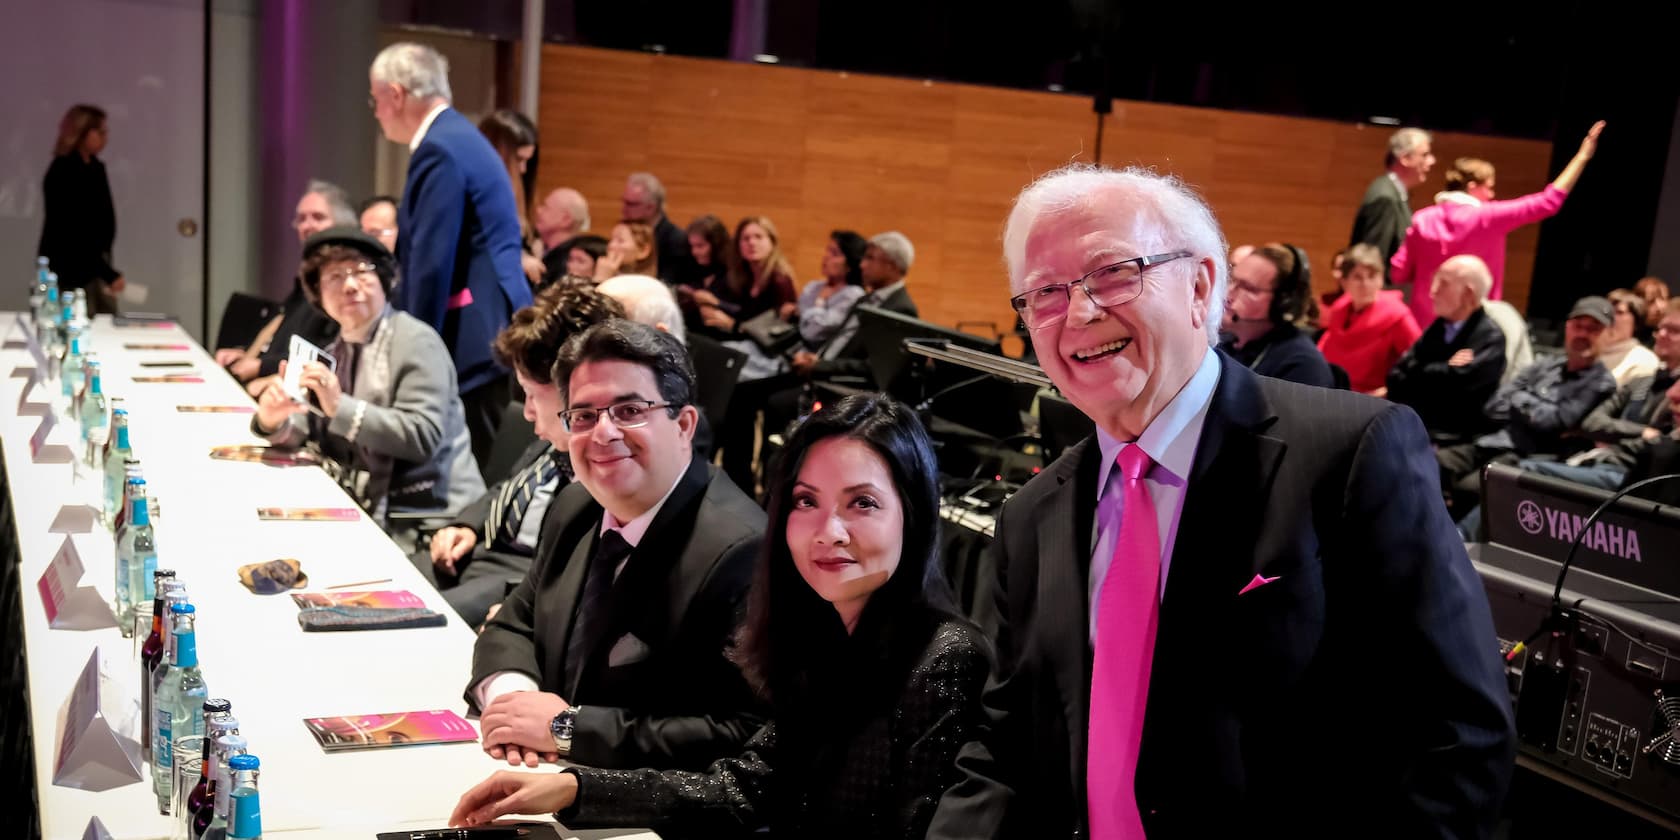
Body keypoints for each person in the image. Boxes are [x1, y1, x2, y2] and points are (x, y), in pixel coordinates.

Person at [928, 164, 1514, 838]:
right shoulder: (1033, 515)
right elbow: (1007, 742)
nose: (1080, 312)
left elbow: (1459, 740)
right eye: (1045, 294)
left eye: (1114, 273)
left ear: (1202, 285)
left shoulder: (1351, 452)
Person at [449, 395, 989, 839]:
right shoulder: (826, 632)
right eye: (806, 501)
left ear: (912, 516)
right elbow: (746, 788)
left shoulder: (943, 658)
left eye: (862, 504)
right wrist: (574, 789)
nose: (829, 530)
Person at [467, 319, 766, 771]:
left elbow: (744, 733)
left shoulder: (741, 550)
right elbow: (515, 622)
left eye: (629, 411)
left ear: (683, 424)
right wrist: (515, 702)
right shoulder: (577, 505)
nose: (603, 432)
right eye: (584, 416)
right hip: (539, 773)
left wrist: (565, 729)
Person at [252, 228, 485, 541]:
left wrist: (339, 406)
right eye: (334, 276)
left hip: (430, 523)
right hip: (368, 506)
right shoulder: (339, 347)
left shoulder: (415, 340)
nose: (349, 285)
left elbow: (422, 436)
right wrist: (273, 418)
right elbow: (313, 428)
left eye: (361, 272)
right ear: (318, 294)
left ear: (385, 281)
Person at [369, 42, 533, 475]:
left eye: (375, 99)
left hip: (471, 330)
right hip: (489, 318)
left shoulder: (440, 148)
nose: (376, 111)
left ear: (397, 94)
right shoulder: (460, 137)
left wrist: (407, 349)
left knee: (476, 465)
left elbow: (430, 264)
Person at [418, 285, 626, 627]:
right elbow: (508, 485)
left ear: (571, 392)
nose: (527, 413)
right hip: (484, 549)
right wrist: (468, 525)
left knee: (416, 617)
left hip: (524, 577)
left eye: (532, 394)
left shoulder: (607, 470)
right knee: (391, 578)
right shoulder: (556, 440)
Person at [1392, 121, 1605, 328]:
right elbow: (1548, 201)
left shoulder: (1422, 219)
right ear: (1473, 187)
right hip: (1471, 330)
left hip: (1423, 327)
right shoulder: (1489, 217)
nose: (1492, 195)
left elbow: (1398, 272)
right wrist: (1582, 157)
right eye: (1489, 188)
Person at [1435, 295, 1619, 517]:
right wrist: (1533, 407)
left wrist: (1521, 398)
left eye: (1593, 329)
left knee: (1470, 488)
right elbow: (1494, 406)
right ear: (1567, 328)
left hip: (1527, 454)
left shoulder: (1601, 382)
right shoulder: (1545, 364)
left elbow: (1555, 421)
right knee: (1431, 463)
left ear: (1609, 335)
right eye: (1578, 326)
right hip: (1492, 441)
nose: (1582, 334)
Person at [216, 180, 355, 387]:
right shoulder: (307, 276)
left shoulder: (345, 284)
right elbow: (284, 334)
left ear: (343, 225)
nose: (307, 226)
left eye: (318, 217)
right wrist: (247, 353)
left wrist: (261, 367)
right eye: (301, 219)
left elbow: (328, 353)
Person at [1387, 255, 1510, 445]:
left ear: (1468, 294)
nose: (1433, 291)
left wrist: (1419, 370)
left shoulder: (1490, 338)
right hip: (1415, 425)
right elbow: (1395, 377)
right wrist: (1446, 368)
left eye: (1443, 284)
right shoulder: (1435, 329)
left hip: (1455, 439)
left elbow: (1457, 393)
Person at [38, 104, 122, 314]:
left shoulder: (95, 168)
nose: (105, 137)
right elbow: (72, 230)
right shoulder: (63, 171)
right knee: (76, 323)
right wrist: (107, 273)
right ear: (83, 133)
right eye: (100, 132)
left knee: (105, 323)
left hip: (96, 265)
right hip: (70, 268)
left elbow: (101, 220)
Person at [1218, 243, 1335, 387]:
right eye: (1232, 280)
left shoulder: (1302, 367)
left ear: (1282, 303)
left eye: (1248, 288)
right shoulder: (1223, 342)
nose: (1229, 293)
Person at [1315, 243, 1421, 394]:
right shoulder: (1340, 309)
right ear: (1344, 282)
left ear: (1381, 279)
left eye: (1372, 276)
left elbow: (1418, 364)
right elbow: (1325, 347)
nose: (1365, 284)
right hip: (1333, 390)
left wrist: (1388, 391)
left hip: (1371, 401)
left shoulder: (1397, 316)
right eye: (1357, 277)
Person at [1349, 127, 1435, 271]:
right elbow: (1372, 261)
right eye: (1424, 155)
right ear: (1405, 158)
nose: (1432, 161)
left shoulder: (1394, 194)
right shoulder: (1385, 198)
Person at [479, 109, 545, 284]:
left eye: (527, 161)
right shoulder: (476, 195)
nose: (523, 170)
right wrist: (518, 260)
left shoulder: (520, 195)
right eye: (518, 160)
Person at [794, 231, 868, 349]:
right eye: (827, 250)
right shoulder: (813, 287)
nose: (826, 256)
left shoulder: (853, 295)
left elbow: (813, 333)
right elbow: (798, 322)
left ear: (850, 264)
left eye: (834, 253)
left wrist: (819, 302)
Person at [620, 172, 690, 284]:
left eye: (631, 204)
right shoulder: (625, 231)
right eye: (623, 202)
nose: (623, 209)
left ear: (650, 207)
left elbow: (668, 282)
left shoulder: (675, 239)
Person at [674, 214, 731, 328]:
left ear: (716, 245)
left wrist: (716, 302)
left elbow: (744, 312)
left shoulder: (733, 272)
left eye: (700, 246)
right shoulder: (692, 265)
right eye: (692, 246)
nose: (694, 252)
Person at [1602, 288, 1660, 386]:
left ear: (1636, 322)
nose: (1611, 318)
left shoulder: (1644, 359)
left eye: (1619, 312)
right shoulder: (1588, 353)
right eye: (1607, 312)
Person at [534, 187, 590, 281]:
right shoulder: (536, 247)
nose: (538, 210)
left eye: (546, 207)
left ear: (565, 220)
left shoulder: (573, 262)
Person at [592, 220, 658, 282]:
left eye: (620, 240)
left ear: (643, 251)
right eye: (611, 239)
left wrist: (601, 278)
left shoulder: (645, 285)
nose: (611, 245)